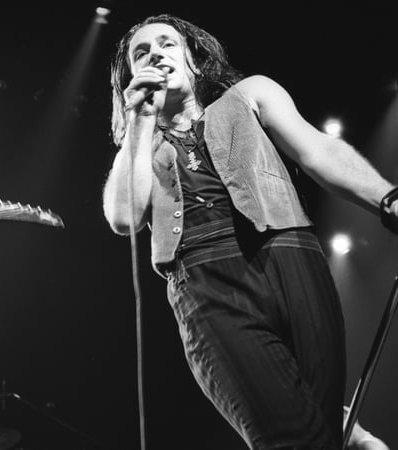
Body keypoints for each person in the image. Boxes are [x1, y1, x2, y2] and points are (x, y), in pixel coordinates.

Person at [102, 14, 398, 450]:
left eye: (166, 43)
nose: (155, 54)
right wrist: (140, 123)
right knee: (287, 437)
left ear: (193, 60)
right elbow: (124, 218)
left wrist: (389, 199)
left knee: (320, 421)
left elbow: (316, 149)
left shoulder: (250, 94)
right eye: (140, 53)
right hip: (205, 283)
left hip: (291, 255)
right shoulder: (139, 145)